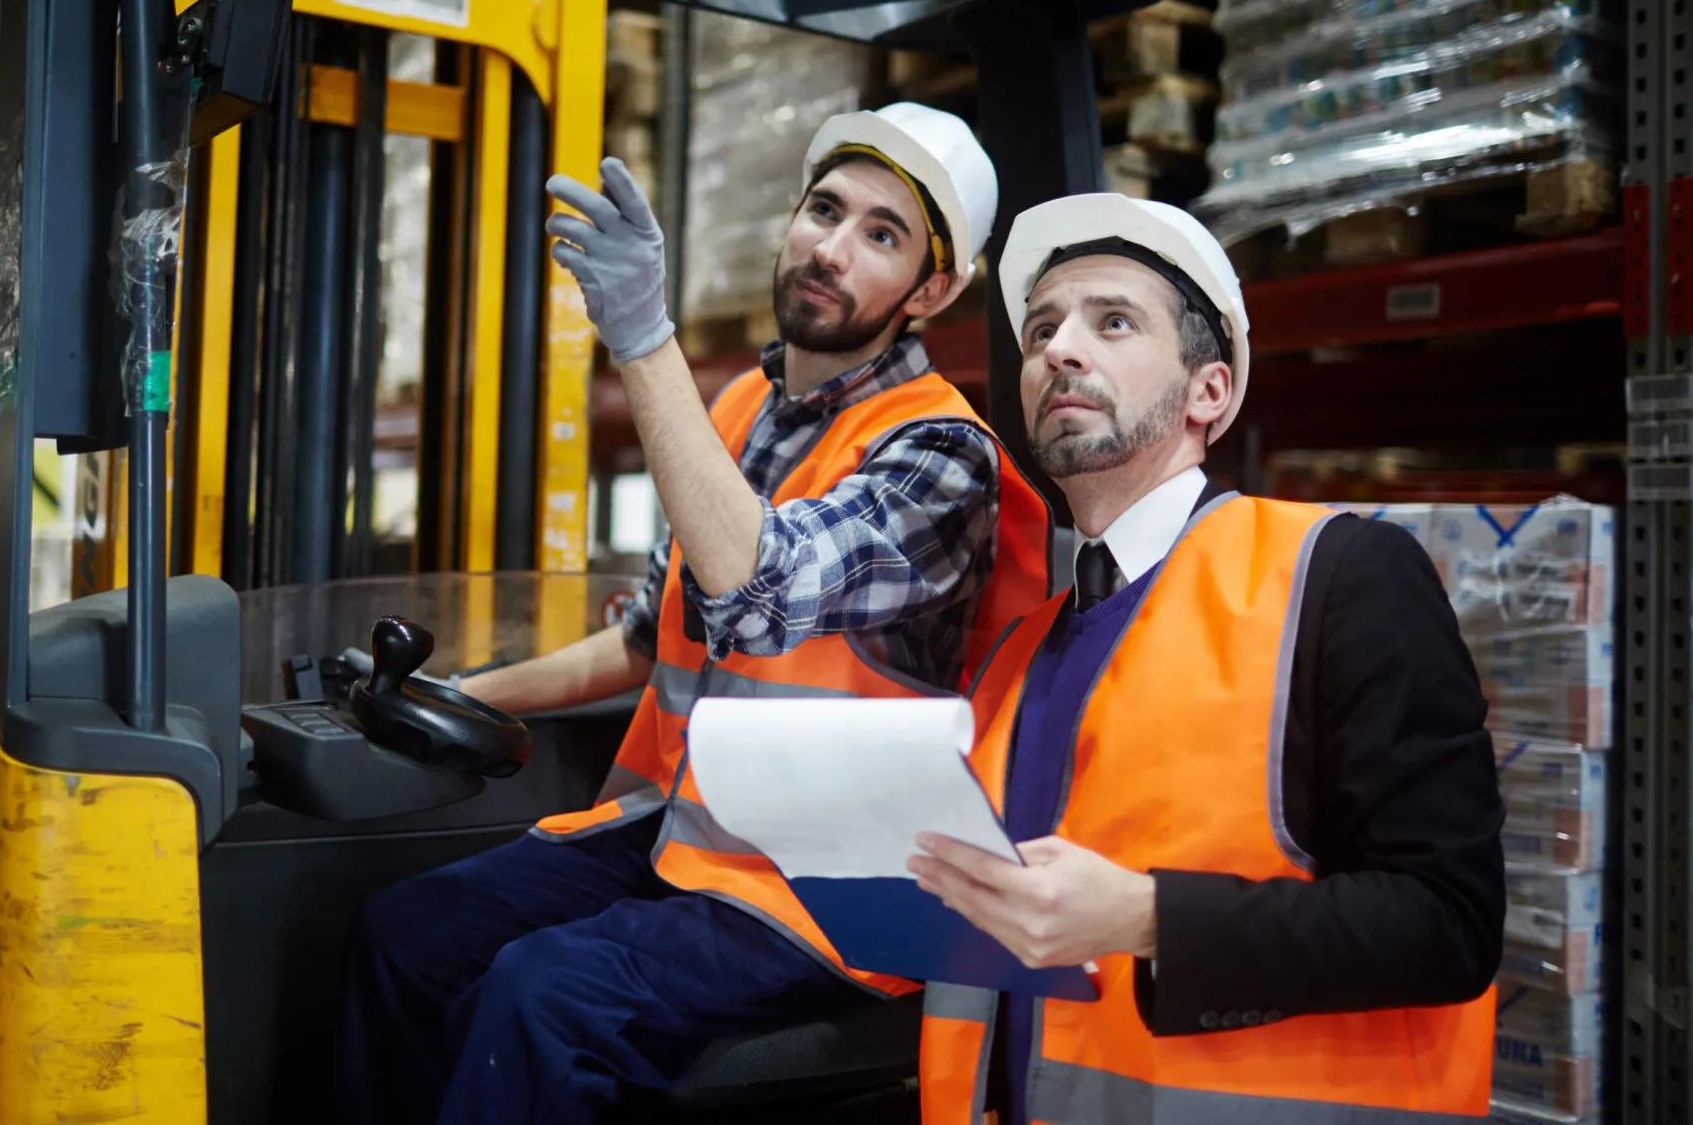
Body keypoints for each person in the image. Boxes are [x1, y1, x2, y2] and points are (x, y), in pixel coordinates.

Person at [341, 104, 1052, 1124]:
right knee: (403, 930)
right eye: (825, 209)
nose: (830, 247)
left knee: (545, 996)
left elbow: (757, 597)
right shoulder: (732, 414)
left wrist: (642, 338)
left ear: (931, 291)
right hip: (683, 837)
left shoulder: (942, 457)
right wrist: (443, 694)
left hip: (837, 883)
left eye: (880, 235)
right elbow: (645, 634)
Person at [905, 194, 1505, 1123]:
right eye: (1039, 331)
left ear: (1208, 393)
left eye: (1112, 322)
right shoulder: (1017, 654)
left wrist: (1149, 919)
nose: (1059, 349)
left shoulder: (1340, 575)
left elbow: (1449, 923)